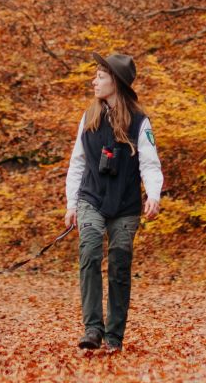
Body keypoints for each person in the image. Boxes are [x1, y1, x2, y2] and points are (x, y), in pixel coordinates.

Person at [63, 52, 163, 352]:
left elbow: (150, 164)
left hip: (126, 205)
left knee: (120, 262)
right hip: (91, 198)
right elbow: (77, 163)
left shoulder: (140, 122)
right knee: (91, 252)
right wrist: (71, 203)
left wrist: (154, 194)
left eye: (100, 77)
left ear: (115, 83)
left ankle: (114, 336)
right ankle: (92, 329)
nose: (94, 81)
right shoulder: (88, 117)